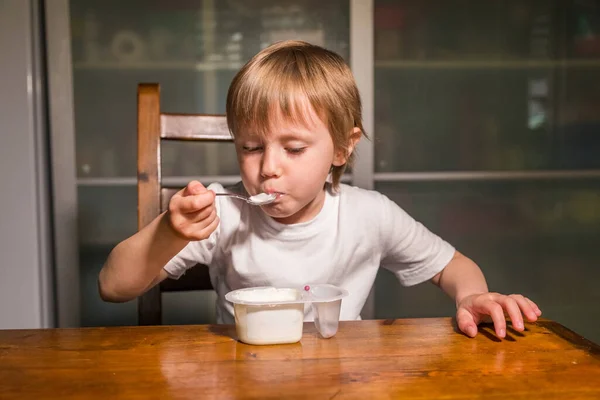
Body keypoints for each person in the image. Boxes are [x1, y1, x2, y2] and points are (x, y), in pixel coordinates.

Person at [99, 40, 541, 338]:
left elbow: (453, 266)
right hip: (240, 374)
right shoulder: (225, 211)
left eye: (293, 148)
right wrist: (172, 233)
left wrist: (473, 296)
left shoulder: (370, 215)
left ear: (342, 149)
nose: (267, 167)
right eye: (250, 147)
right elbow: (113, 285)